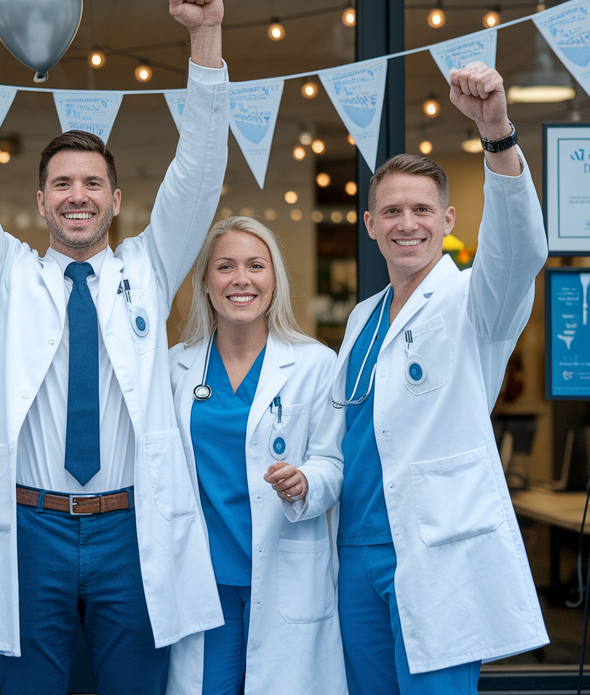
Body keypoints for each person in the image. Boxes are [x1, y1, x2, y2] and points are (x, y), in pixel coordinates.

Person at [0, 0, 228, 694]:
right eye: (64, 185)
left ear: (114, 200)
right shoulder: (10, 273)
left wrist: (204, 39)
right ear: (41, 201)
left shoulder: (149, 264)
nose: (78, 196)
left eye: (93, 184)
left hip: (130, 527)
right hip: (30, 528)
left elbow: (199, 175)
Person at [333, 62, 550, 695]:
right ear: (370, 226)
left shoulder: (476, 305)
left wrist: (497, 132)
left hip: (433, 550)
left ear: (449, 220)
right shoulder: (360, 320)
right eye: (392, 211)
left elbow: (518, 251)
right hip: (355, 550)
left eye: (422, 210)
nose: (408, 223)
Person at [165, 217, 347, 695]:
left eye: (255, 266)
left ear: (274, 280)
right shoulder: (175, 368)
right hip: (206, 579)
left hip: (287, 568)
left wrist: (307, 481)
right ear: (206, 281)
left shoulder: (316, 365)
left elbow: (334, 462)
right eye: (225, 266)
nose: (240, 279)